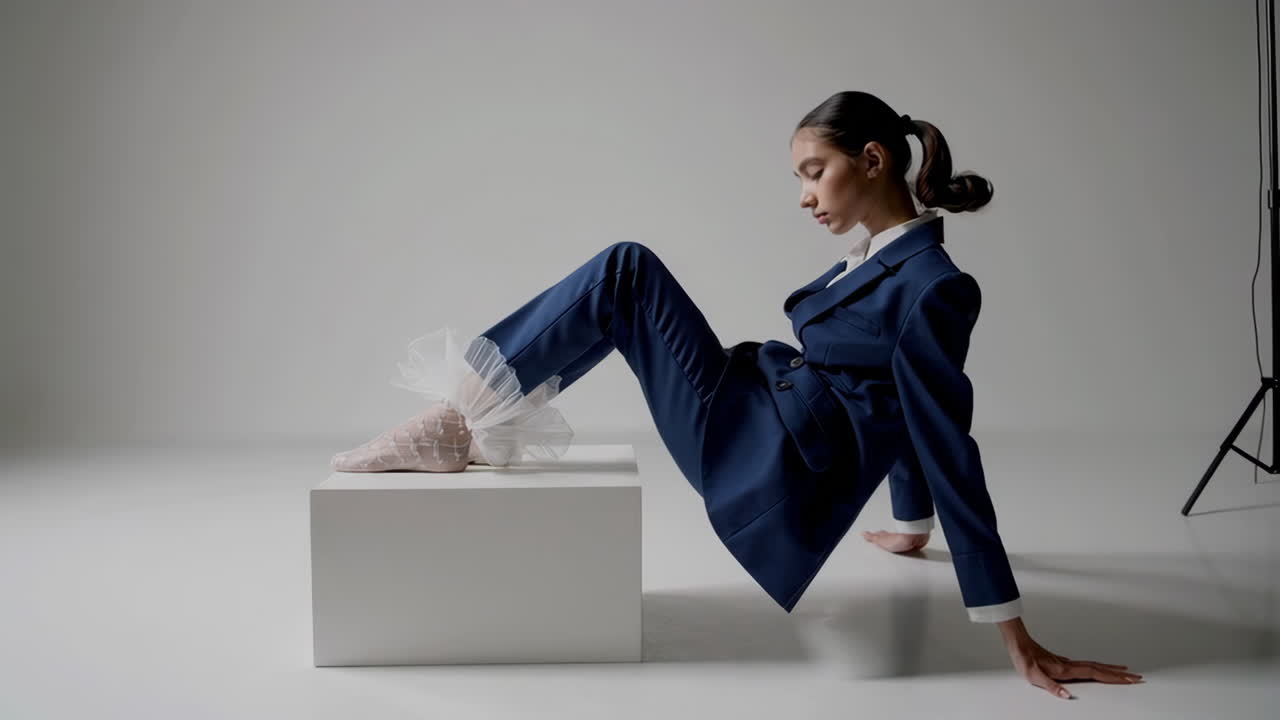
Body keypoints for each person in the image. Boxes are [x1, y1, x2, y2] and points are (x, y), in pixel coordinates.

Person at [330, 90, 1143, 698]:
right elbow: (892, 404)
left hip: (763, 460)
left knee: (626, 269)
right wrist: (908, 523)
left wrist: (1015, 633)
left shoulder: (932, 285)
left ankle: (459, 420)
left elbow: (938, 433)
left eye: (813, 172)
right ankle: (466, 417)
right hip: (754, 403)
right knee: (625, 274)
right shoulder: (879, 259)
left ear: (873, 160)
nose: (803, 196)